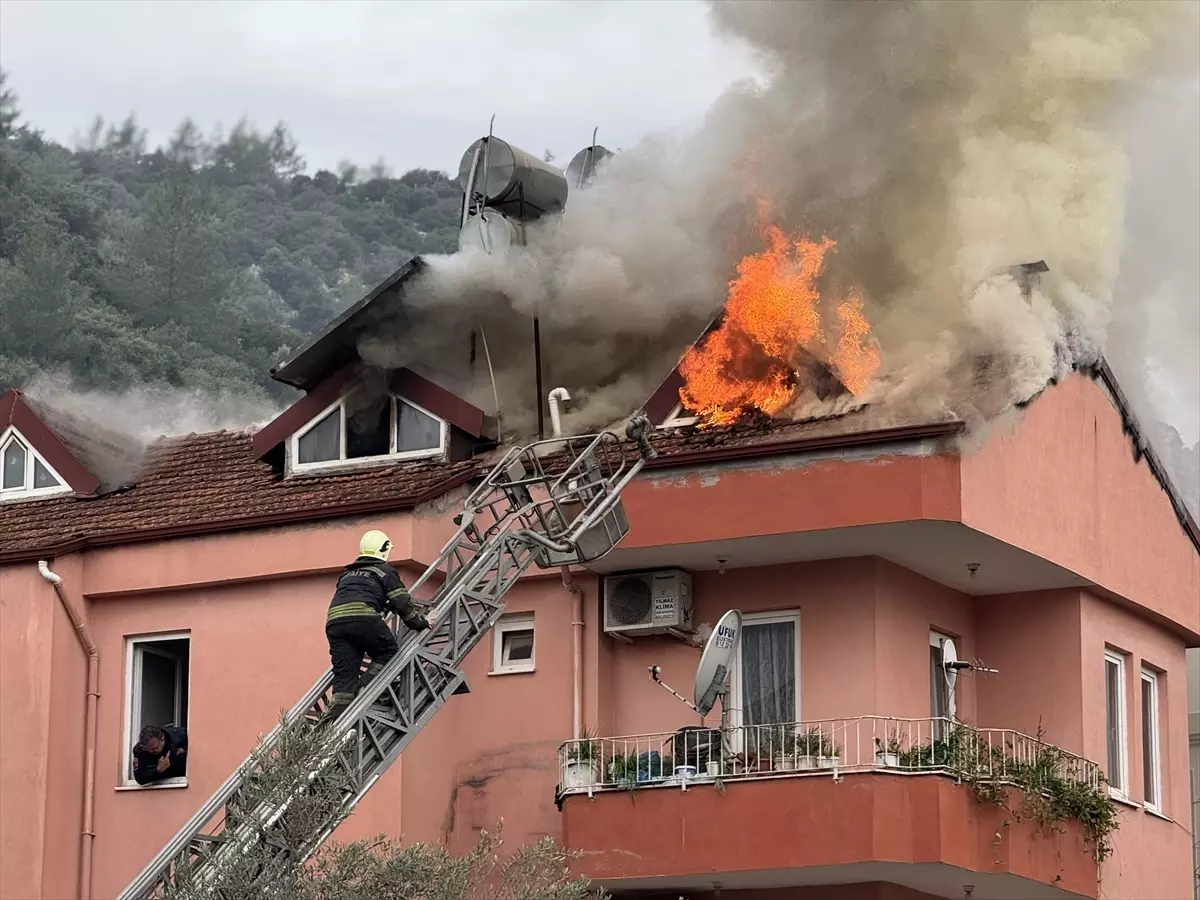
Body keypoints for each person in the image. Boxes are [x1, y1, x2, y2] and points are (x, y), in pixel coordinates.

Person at [323, 529, 434, 722]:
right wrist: (420, 623)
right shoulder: (385, 571)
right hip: (363, 618)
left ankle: (336, 724)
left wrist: (382, 606)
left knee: (344, 675)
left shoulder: (347, 575)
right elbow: (402, 602)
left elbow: (361, 595)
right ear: (384, 551)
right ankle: (364, 689)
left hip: (335, 623)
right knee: (387, 652)